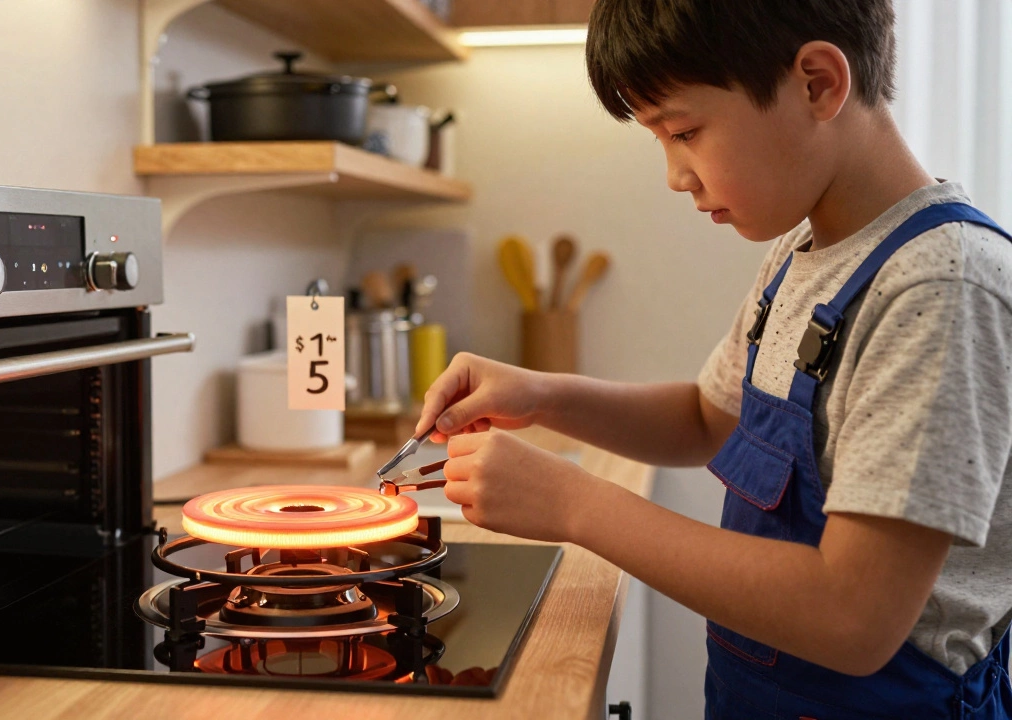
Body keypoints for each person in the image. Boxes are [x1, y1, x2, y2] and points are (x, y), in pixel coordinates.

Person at [415, 0, 1012, 717]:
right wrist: (544, 396)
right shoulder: (801, 253)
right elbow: (707, 420)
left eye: (684, 132)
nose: (675, 174)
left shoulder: (941, 287)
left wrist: (573, 504)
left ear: (819, 83)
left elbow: (854, 619)